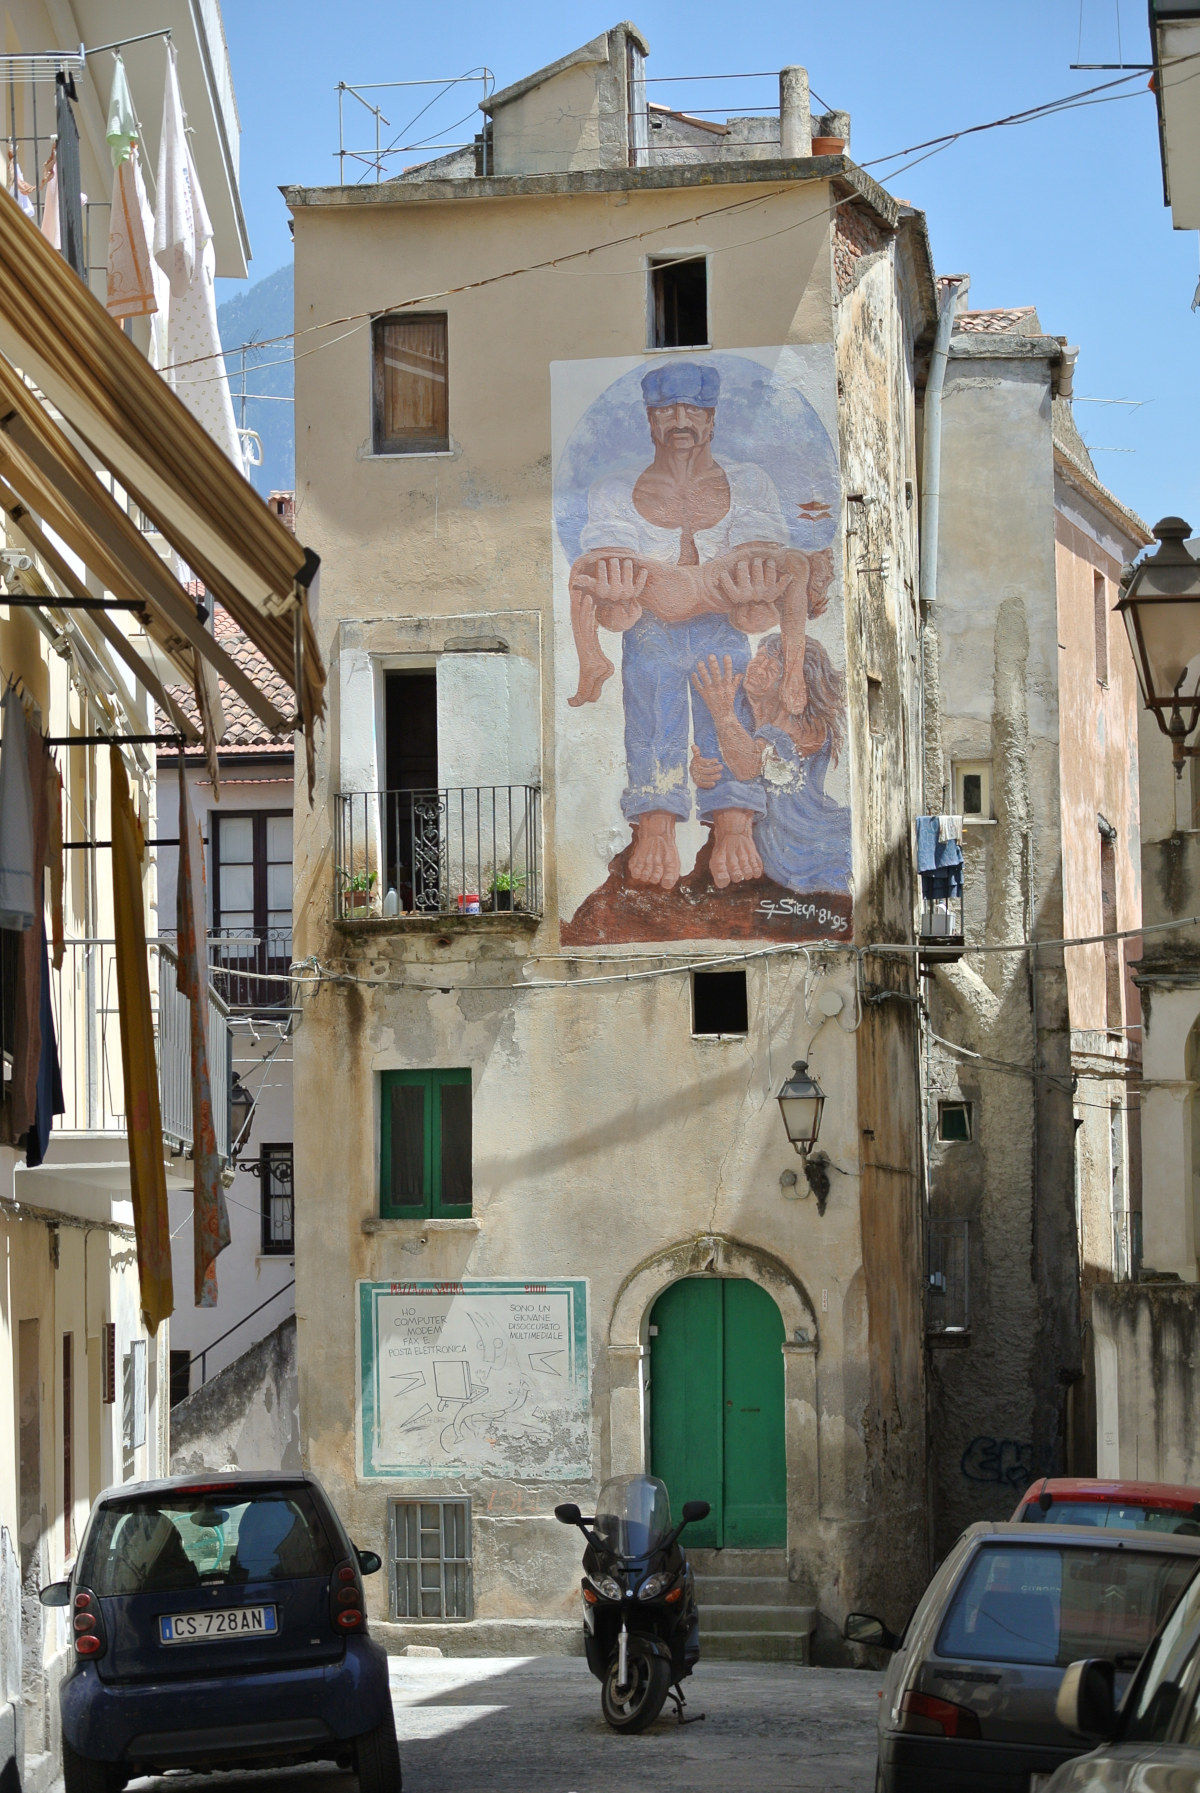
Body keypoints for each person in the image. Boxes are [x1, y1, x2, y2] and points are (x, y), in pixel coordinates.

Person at [567, 359, 831, 890]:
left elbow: (761, 585)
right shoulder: (615, 490)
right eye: (666, 410)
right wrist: (613, 606)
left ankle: (734, 823)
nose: (679, 420)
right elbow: (607, 587)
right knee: (650, 707)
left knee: (727, 705)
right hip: (653, 629)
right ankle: (655, 826)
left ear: (711, 421)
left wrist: (787, 657)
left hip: (718, 623)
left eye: (693, 410)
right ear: (649, 421)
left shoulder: (748, 482)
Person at [690, 633, 851, 896]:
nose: (758, 668)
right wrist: (699, 770)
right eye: (759, 657)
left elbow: (748, 766)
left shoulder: (804, 724)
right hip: (768, 838)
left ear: (792, 682)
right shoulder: (754, 714)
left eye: (772, 667)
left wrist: (722, 712)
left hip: (805, 842)